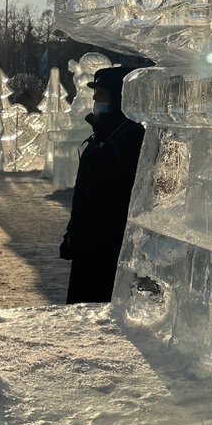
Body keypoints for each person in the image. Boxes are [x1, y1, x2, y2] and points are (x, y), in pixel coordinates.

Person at [60, 65, 144, 304]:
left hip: (109, 247)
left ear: (119, 97)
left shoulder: (130, 137)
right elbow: (85, 194)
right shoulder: (103, 133)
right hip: (88, 245)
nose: (95, 98)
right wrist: (73, 234)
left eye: (102, 93)